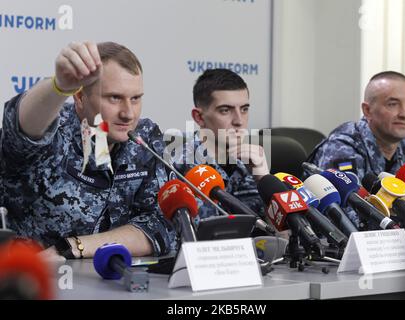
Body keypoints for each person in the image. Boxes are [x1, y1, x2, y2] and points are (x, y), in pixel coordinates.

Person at [0, 41, 174, 259]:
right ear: (80, 97)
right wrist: (60, 86)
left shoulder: (144, 137)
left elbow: (161, 225)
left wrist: (74, 247)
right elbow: (19, 132)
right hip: (28, 282)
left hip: (105, 283)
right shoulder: (54, 129)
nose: (128, 113)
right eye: (114, 98)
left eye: (136, 98)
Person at [172, 69, 269, 220]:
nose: (239, 121)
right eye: (225, 110)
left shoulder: (247, 163)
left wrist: (263, 179)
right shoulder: (177, 168)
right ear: (199, 117)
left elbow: (279, 236)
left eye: (244, 109)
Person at [307, 71, 405, 181]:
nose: (404, 114)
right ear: (367, 110)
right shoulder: (342, 148)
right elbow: (346, 208)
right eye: (393, 104)